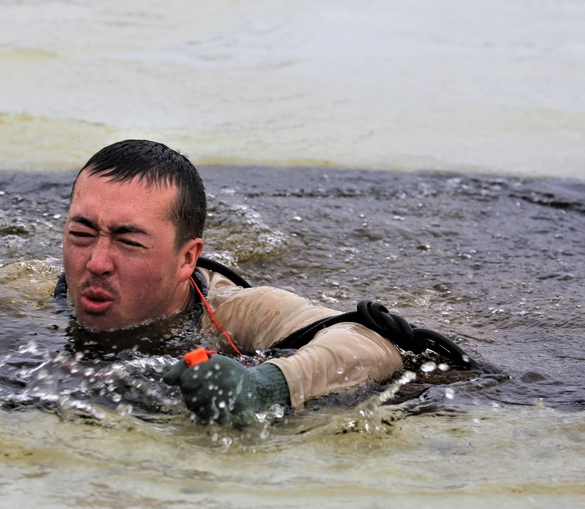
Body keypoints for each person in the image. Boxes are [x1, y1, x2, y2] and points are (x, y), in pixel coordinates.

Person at [58, 139, 473, 427]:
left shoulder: (237, 312)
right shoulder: (46, 290)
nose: (96, 262)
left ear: (187, 258)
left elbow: (370, 344)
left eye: (128, 242)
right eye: (81, 234)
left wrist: (264, 387)